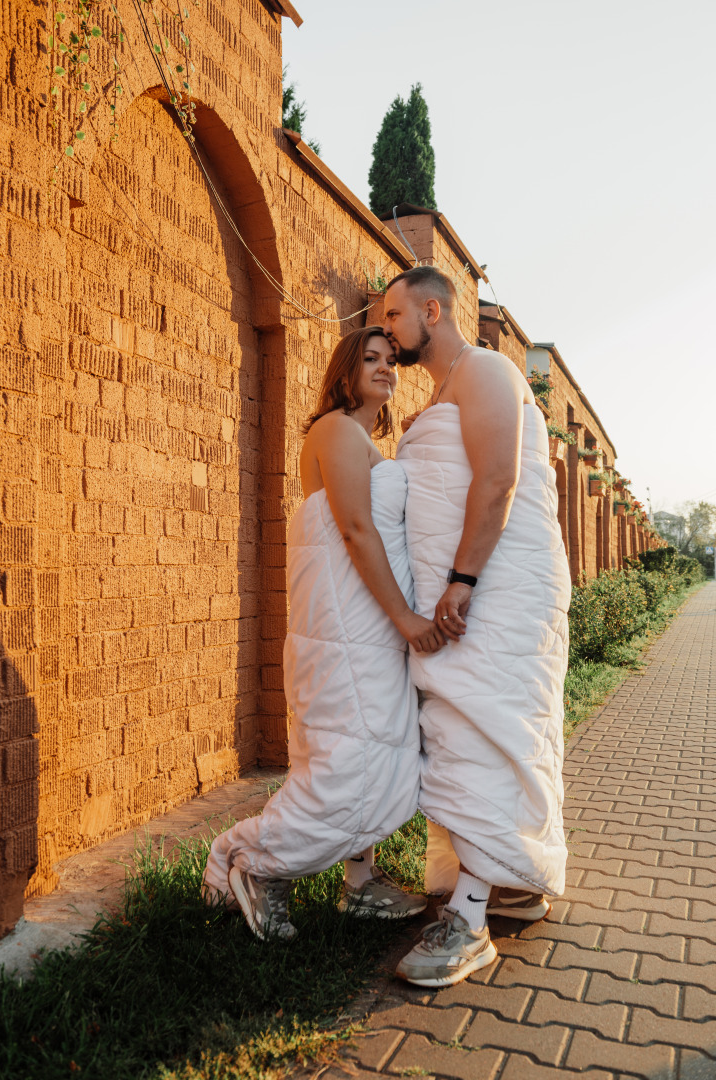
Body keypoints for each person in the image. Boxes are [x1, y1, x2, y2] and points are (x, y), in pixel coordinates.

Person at [202, 326, 443, 939]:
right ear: (345, 371)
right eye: (371, 360)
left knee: (362, 745)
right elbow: (357, 533)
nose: (387, 368)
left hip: (360, 621)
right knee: (346, 761)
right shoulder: (335, 430)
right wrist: (407, 619)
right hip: (351, 619)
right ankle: (257, 863)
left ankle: (360, 885)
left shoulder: (360, 437)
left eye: (392, 360)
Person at [383, 265, 571, 988]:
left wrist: (461, 580)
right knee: (460, 731)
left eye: (396, 315)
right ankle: (502, 876)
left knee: (493, 725)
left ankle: (469, 920)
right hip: (462, 596)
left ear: (434, 308)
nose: (390, 329)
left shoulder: (486, 369)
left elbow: (498, 480)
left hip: (497, 589)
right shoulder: (442, 391)